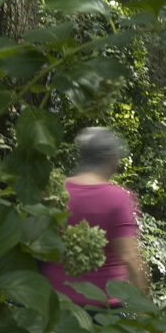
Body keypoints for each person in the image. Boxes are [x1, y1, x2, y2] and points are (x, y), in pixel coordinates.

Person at [40, 127, 150, 307]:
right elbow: (129, 256)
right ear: (111, 160)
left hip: (56, 300)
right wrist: (147, 309)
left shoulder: (55, 191)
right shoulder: (118, 198)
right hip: (103, 306)